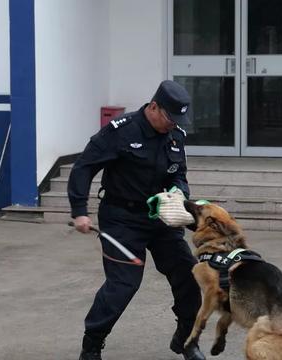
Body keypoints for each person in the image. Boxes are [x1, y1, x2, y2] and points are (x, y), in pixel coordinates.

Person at [68, 80, 205, 360]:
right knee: (123, 284)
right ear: (154, 106)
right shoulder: (120, 131)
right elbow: (84, 167)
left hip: (159, 217)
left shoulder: (175, 135)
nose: (173, 124)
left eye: (178, 120)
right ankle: (91, 346)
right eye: (170, 117)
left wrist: (180, 191)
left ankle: (186, 339)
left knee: (188, 274)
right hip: (121, 219)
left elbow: (178, 173)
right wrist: (79, 210)